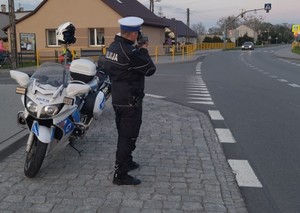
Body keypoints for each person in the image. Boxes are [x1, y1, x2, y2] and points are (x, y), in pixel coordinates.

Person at [104, 16, 156, 185]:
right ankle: (120, 174)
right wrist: (143, 50)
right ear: (133, 34)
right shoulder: (131, 52)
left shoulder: (113, 47)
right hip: (130, 101)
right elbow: (150, 69)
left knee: (123, 133)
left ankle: (127, 161)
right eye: (138, 33)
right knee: (128, 137)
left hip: (118, 98)